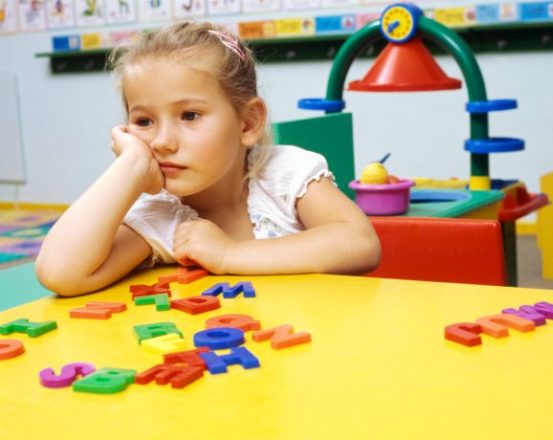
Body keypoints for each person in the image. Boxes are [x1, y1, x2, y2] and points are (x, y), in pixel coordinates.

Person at [36, 21, 381, 296]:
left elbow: (359, 243)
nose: (162, 142)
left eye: (189, 115)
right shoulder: (162, 216)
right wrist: (131, 165)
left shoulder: (285, 175)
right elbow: (60, 273)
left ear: (247, 123)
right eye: (144, 122)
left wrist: (230, 255)